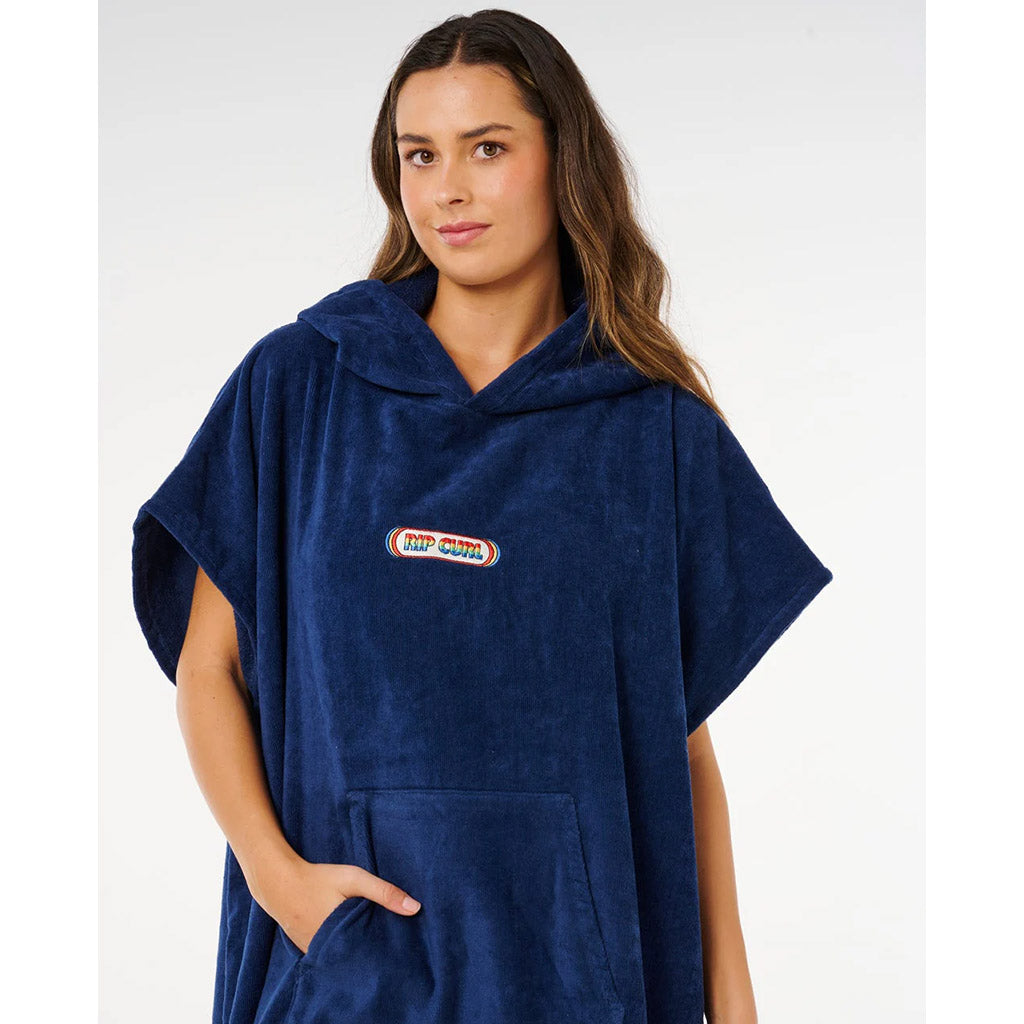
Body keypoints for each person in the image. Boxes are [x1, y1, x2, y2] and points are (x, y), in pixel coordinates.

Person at [130, 10, 833, 1024]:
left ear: (563, 161)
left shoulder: (653, 430)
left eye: (487, 148)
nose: (447, 189)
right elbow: (209, 670)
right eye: (420, 155)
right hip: (342, 973)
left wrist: (735, 1001)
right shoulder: (298, 386)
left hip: (577, 983)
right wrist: (282, 883)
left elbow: (677, 746)